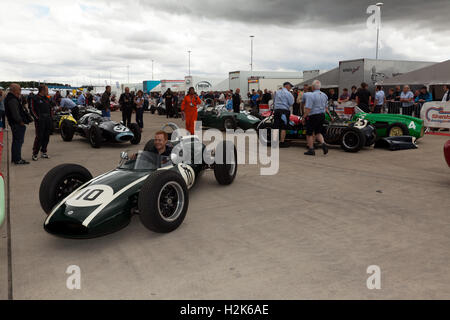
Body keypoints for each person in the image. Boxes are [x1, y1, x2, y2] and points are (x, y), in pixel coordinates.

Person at [4, 84, 30, 164]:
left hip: (15, 123)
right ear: (14, 90)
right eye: (19, 89)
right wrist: (20, 121)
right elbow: (15, 113)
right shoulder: (12, 99)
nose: (20, 90)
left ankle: (15, 158)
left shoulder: (11, 98)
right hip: (16, 124)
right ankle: (17, 159)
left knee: (16, 141)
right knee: (18, 142)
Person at [302, 80, 329, 156]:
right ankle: (323, 144)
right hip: (322, 115)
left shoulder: (311, 95)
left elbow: (308, 108)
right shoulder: (324, 95)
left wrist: (304, 117)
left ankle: (311, 149)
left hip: (313, 115)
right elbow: (326, 107)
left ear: (313, 87)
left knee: (309, 133)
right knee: (318, 132)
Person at [31, 84, 53, 161]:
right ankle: (35, 153)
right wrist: (37, 118)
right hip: (40, 120)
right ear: (42, 90)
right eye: (46, 90)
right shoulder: (35, 98)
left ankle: (44, 152)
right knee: (39, 137)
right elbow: (32, 109)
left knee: (46, 136)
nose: (48, 91)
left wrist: (51, 117)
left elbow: (50, 108)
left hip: (48, 120)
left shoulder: (47, 98)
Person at [273, 82, 294, 148]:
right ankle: (282, 142)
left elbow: (274, 101)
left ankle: (274, 142)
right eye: (290, 86)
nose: (290, 88)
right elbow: (291, 102)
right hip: (284, 111)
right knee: (283, 127)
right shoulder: (288, 93)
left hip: (276, 110)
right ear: (287, 86)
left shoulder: (277, 92)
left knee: (276, 126)